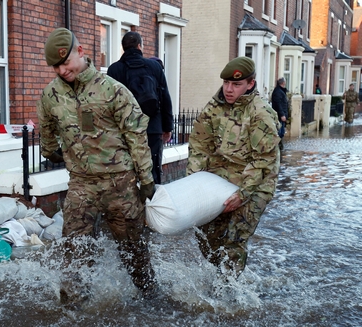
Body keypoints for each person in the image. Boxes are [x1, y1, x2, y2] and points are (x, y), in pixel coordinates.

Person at [36, 28, 158, 305]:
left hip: (120, 184)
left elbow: (136, 135)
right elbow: (47, 130)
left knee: (134, 249)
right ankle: (74, 309)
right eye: (56, 66)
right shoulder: (50, 95)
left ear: (80, 52)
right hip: (81, 185)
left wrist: (146, 179)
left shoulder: (112, 89)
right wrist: (52, 152)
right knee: (74, 250)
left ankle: (150, 295)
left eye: (65, 63)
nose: (61, 71)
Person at [187, 56, 280, 279]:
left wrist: (243, 194)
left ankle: (230, 294)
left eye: (236, 84)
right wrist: (193, 182)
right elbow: (200, 144)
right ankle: (220, 274)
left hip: (257, 182)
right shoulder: (215, 106)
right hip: (221, 177)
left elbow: (263, 161)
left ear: (251, 84)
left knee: (235, 238)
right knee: (206, 234)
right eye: (226, 83)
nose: (229, 89)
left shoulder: (260, 113)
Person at [107, 31, 173, 185]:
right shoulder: (154, 67)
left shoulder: (114, 70)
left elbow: (108, 103)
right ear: (139, 46)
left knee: (126, 172)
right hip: (152, 128)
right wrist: (167, 127)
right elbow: (165, 98)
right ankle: (153, 204)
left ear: (123, 48)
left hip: (125, 131)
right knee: (152, 172)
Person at [271, 77, 288, 150]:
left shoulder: (280, 91)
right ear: (283, 83)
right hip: (279, 115)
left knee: (281, 132)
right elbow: (278, 104)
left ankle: (279, 147)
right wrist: (282, 115)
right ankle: (277, 147)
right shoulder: (278, 92)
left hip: (281, 114)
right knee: (280, 133)